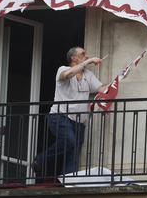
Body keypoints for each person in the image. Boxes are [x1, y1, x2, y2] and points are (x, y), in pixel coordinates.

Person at [32, 47, 107, 177]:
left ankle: (67, 183)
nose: (87, 55)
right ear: (74, 58)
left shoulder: (88, 75)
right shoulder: (63, 69)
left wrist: (119, 79)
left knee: (73, 155)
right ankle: (41, 160)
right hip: (60, 117)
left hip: (79, 123)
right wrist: (87, 62)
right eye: (83, 54)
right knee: (69, 141)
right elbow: (67, 75)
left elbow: (102, 89)